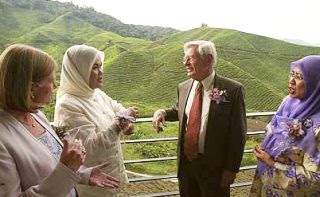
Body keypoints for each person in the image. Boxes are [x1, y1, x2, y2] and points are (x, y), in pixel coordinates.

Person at [0, 44, 120, 197]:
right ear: (31, 88)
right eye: (51, 80)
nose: (55, 85)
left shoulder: (36, 116)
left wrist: (83, 175)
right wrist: (68, 170)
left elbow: (53, 165)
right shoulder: (3, 139)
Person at [152, 40, 247, 196]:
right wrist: (162, 112)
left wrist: (231, 169)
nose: (185, 63)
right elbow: (181, 110)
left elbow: (238, 133)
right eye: (184, 58)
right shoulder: (183, 87)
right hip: (186, 167)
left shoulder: (232, 90)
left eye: (190, 58)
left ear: (208, 60)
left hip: (215, 170)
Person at [54, 44, 137, 197]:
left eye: (101, 66)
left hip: (110, 178)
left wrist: (126, 121)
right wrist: (118, 125)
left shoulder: (96, 93)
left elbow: (116, 107)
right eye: (95, 67)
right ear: (79, 71)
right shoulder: (68, 105)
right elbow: (88, 149)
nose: (101, 72)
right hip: (91, 186)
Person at [250, 56, 320, 196]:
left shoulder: (318, 126)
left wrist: (273, 164)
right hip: (267, 185)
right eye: (292, 74)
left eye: (299, 77)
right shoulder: (287, 103)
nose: (291, 81)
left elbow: (317, 179)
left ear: (315, 83)